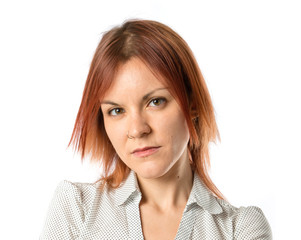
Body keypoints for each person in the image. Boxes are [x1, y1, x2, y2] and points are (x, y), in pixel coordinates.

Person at [40, 19, 272, 239]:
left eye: (155, 101)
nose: (137, 129)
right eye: (117, 111)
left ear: (191, 104)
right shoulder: (77, 207)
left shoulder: (239, 229)